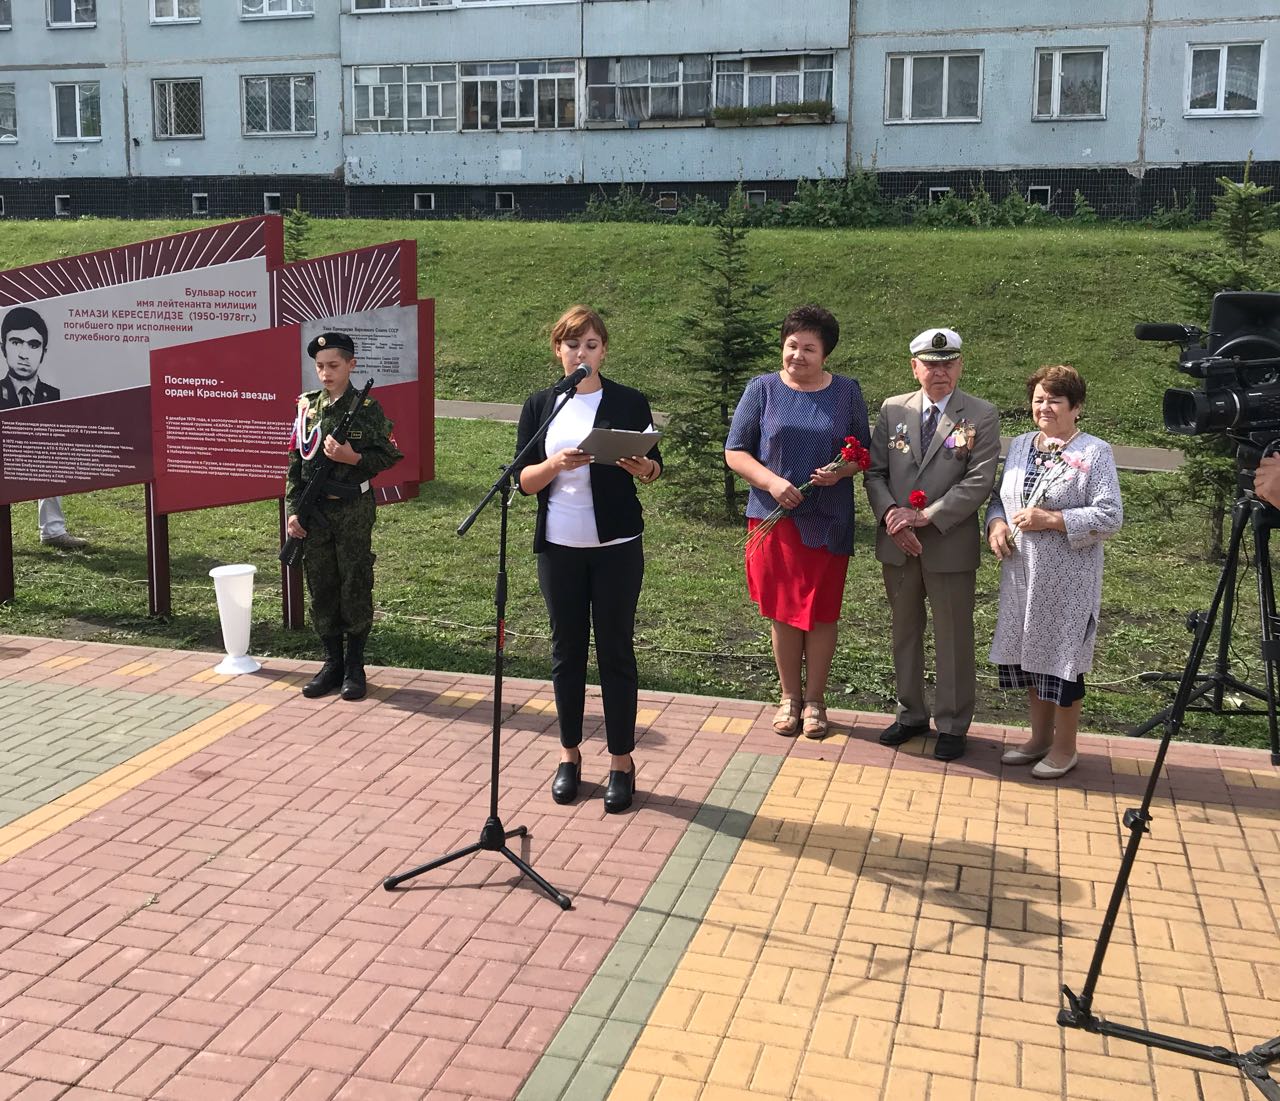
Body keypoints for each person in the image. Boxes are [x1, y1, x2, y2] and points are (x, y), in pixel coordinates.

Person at [511, 305, 662, 814]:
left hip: (617, 547)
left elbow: (654, 467)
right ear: (558, 349)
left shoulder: (627, 400)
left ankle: (621, 761)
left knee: (615, 650)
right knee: (567, 651)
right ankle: (569, 755)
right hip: (560, 548)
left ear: (604, 351)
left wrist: (644, 467)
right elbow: (523, 481)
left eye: (591, 345)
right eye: (572, 344)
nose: (582, 353)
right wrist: (554, 463)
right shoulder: (541, 405)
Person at [724, 305, 870, 739]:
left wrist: (840, 471)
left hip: (828, 518)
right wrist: (771, 482)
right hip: (776, 518)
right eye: (791, 346)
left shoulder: (846, 392)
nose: (797, 355)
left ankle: (816, 701)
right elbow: (735, 450)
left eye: (809, 348)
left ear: (825, 354)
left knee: (822, 612)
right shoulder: (762, 389)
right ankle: (789, 697)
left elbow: (862, 453)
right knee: (784, 611)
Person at [865, 327, 1001, 761]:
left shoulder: (980, 414)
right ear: (914, 367)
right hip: (897, 542)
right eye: (930, 364)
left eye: (948, 363)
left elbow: (979, 480)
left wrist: (925, 516)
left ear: (960, 365)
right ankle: (910, 714)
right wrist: (892, 515)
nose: (940, 371)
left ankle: (953, 723)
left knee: (953, 635)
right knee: (904, 630)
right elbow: (875, 472)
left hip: (948, 542)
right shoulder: (893, 409)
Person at [986, 365, 1122, 778]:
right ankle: (1039, 738)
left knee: (1063, 660)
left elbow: (1110, 515)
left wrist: (1053, 519)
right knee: (1030, 656)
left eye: (1055, 400)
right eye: (1038, 400)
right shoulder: (1022, 445)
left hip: (1067, 580)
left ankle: (1065, 748)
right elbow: (999, 497)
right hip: (1021, 575)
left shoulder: (1095, 452)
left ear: (1076, 407)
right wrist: (996, 524)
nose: (1044, 407)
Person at [285, 332, 402, 702]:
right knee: (321, 584)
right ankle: (331, 662)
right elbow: (295, 463)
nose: (326, 373)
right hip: (314, 511)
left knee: (354, 581)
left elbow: (390, 455)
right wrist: (293, 509)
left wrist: (353, 458)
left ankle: (354, 665)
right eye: (320, 366)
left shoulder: (366, 409)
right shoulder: (307, 406)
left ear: (351, 365)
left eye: (333, 365)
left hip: (352, 509)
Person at [0, 306, 87, 549]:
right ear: (3, 348)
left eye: (33, 345)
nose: (23, 354)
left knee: (52, 454)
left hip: (41, 440)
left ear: (43, 352)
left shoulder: (54, 395)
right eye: (16, 342)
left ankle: (53, 530)